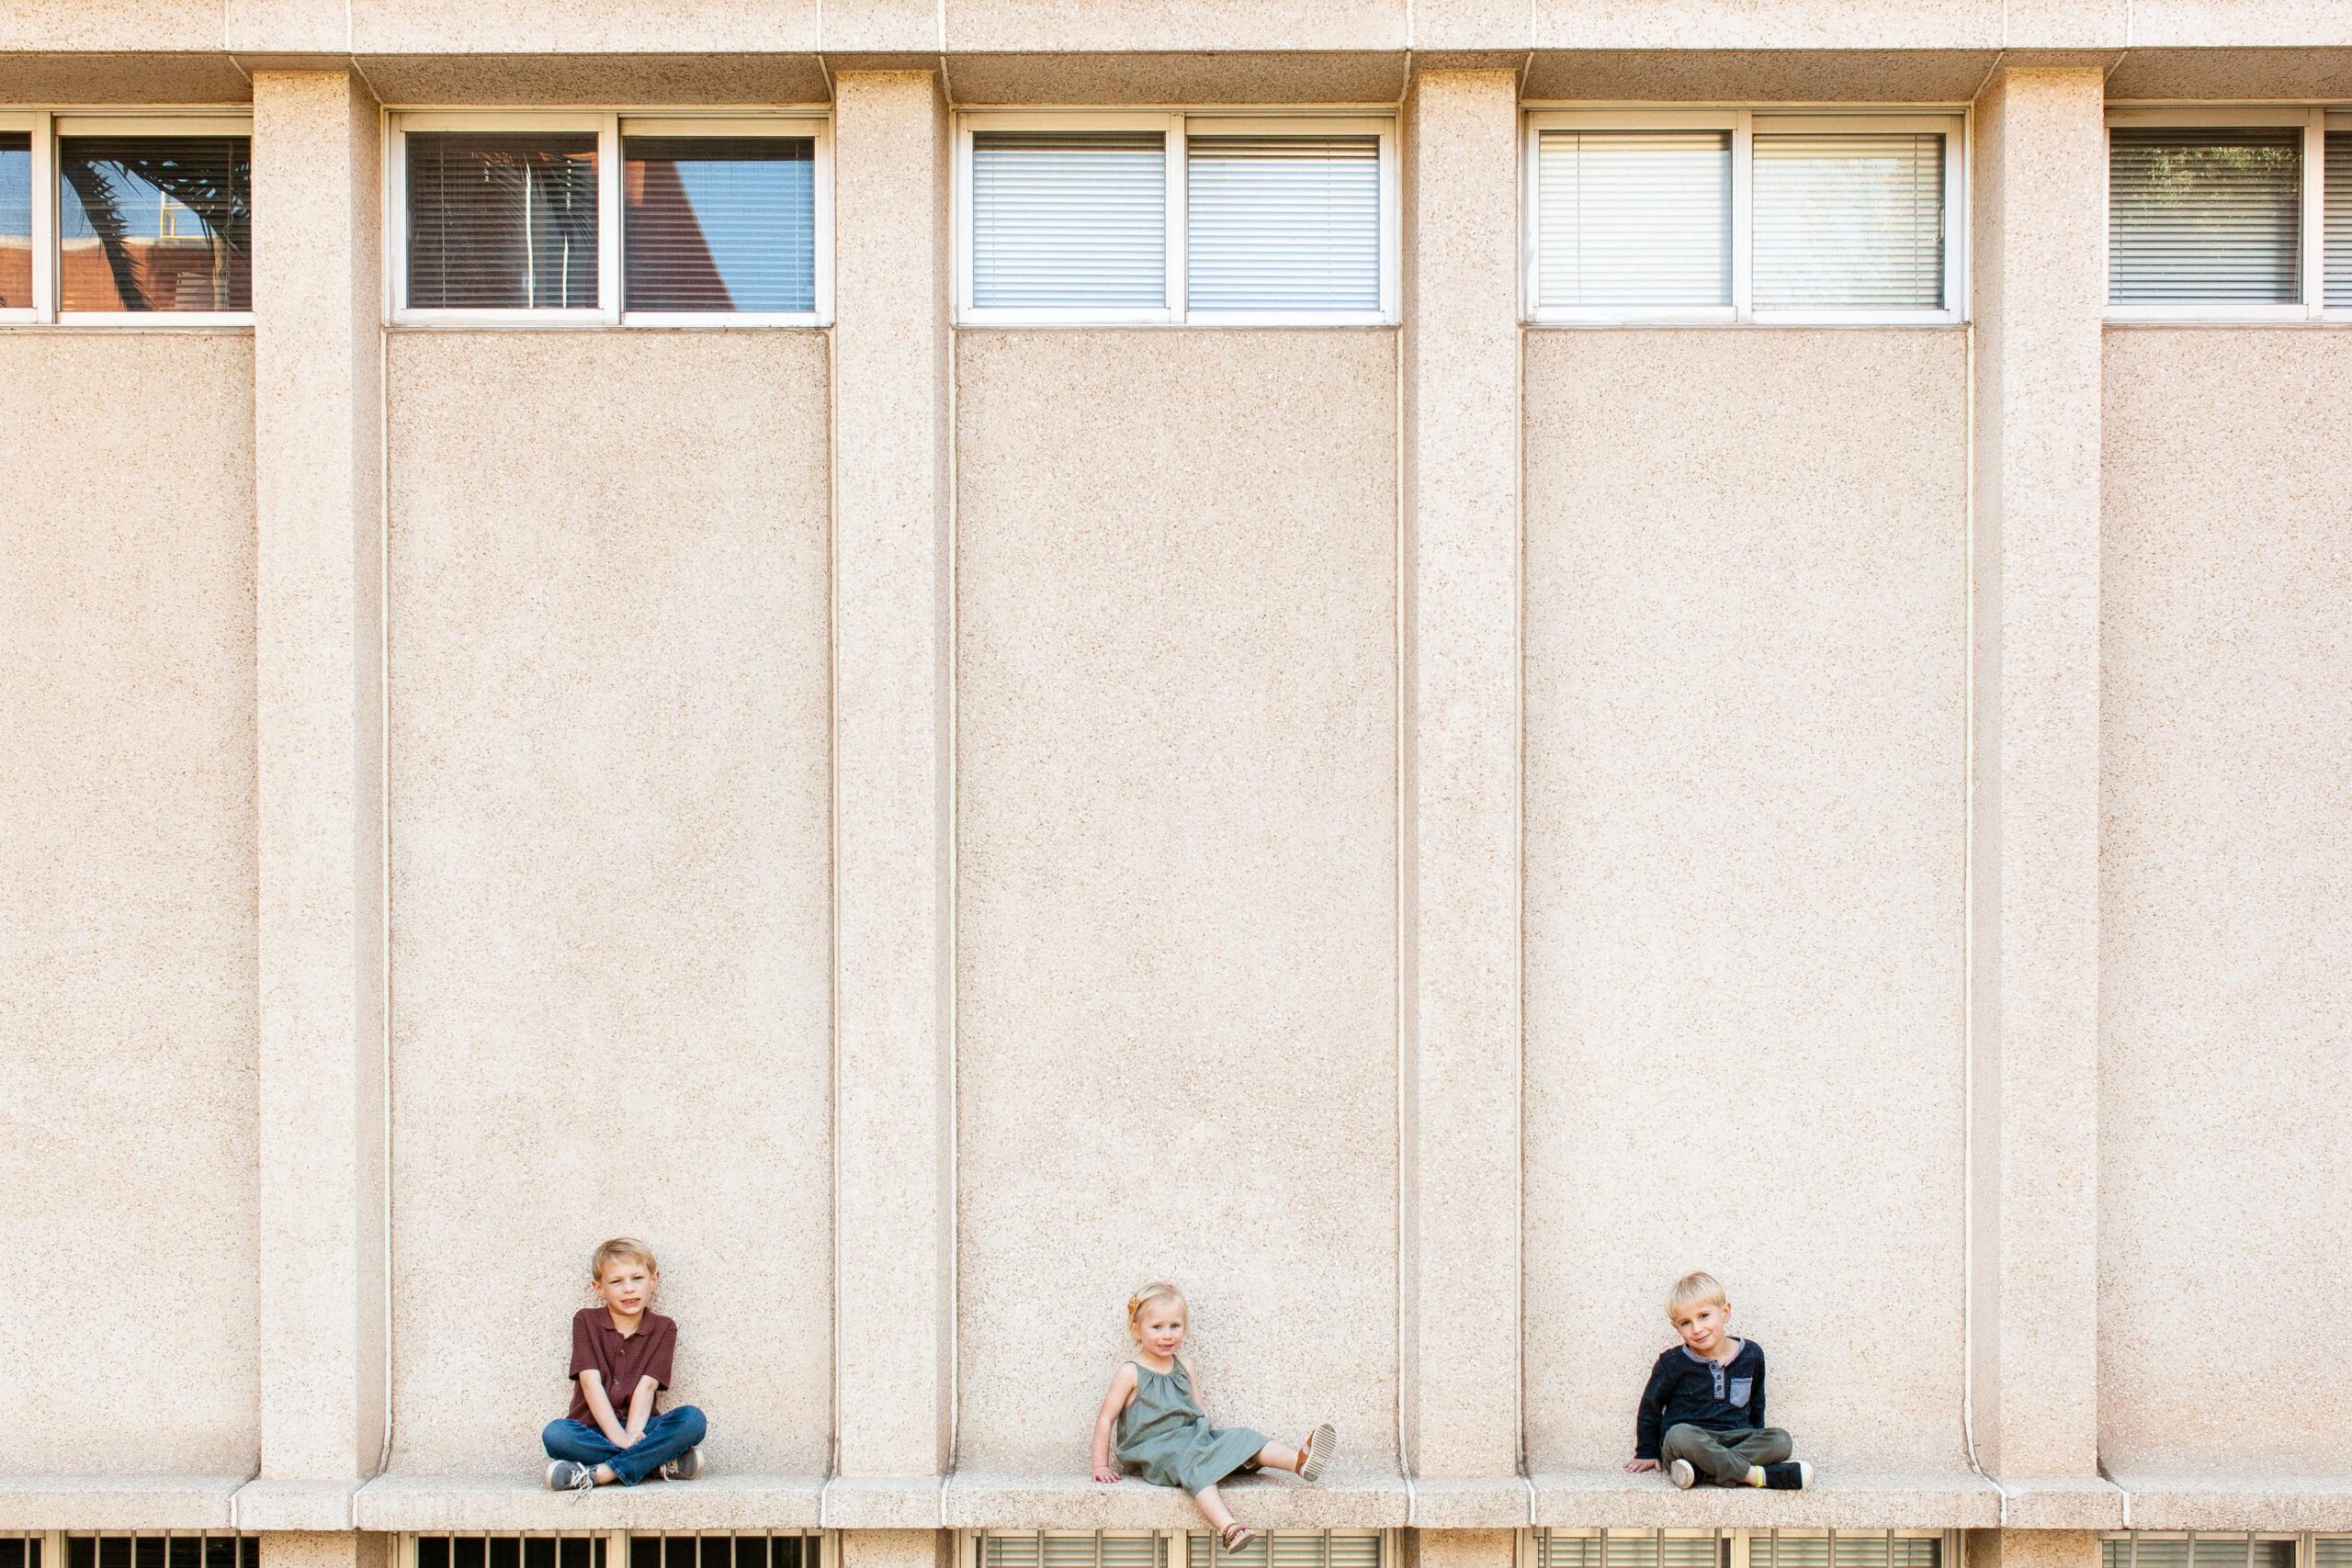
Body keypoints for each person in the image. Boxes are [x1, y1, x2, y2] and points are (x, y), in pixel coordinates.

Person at [1091, 1281, 1337, 1551]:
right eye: (1157, 1327)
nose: (1167, 1334)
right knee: (1194, 1466)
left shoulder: (1186, 1366)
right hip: (1155, 1451)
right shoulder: (1131, 1372)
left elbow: (1198, 1409)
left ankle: (1298, 1461)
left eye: (1175, 1326)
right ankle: (1229, 1528)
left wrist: (1214, 1442)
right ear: (1137, 1330)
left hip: (1191, 1438)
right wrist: (1100, 1465)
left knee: (1243, 1437)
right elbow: (1106, 1419)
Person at [542, 1237, 709, 1490]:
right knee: (556, 1435)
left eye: (637, 1279)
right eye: (616, 1282)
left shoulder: (664, 1328)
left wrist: (632, 1436)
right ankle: (656, 1463)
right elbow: (590, 1384)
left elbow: (647, 1387)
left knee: (693, 1420)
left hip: (642, 1428)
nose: (628, 1289)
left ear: (653, 1280)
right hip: (593, 1430)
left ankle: (600, 1474)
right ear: (599, 1288)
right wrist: (620, 1439)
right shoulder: (585, 1321)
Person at [1622, 1270, 1810, 1491]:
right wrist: (1646, 1452)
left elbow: (1757, 1402)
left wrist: (1757, 1436)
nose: (1697, 1329)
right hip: (1691, 1443)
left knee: (1781, 1440)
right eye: (1685, 1323)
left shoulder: (1751, 1354)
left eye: (1703, 1316)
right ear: (1676, 1327)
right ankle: (1752, 1475)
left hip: (1737, 1437)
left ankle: (1701, 1472)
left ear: (1725, 1312)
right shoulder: (1671, 1362)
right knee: (1678, 1434)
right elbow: (1650, 1408)